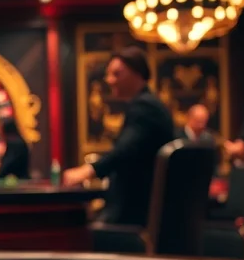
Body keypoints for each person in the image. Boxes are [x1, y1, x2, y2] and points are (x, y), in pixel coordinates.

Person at [62, 47, 174, 225]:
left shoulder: (145, 107)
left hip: (138, 215)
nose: (109, 80)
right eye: (108, 74)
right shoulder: (147, 104)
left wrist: (88, 170)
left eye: (116, 74)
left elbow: (125, 150)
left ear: (137, 73)